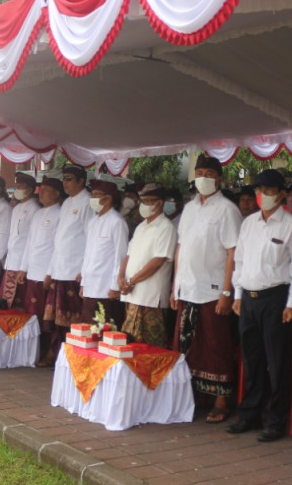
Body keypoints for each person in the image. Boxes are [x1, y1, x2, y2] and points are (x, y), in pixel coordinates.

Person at [227, 169, 292, 442]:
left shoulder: (291, 226)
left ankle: (276, 420)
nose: (264, 196)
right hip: (248, 298)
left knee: (277, 361)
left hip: (276, 298)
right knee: (252, 360)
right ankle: (250, 414)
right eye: (260, 191)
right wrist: (237, 295)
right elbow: (240, 262)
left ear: (281, 194)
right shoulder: (249, 223)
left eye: (270, 191)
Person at [172, 155, 243, 423]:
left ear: (219, 178)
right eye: (199, 172)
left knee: (216, 346)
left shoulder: (227, 209)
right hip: (186, 288)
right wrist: (174, 286)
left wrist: (227, 292)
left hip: (213, 291)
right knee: (187, 345)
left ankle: (221, 400)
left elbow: (233, 252)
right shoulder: (189, 208)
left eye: (208, 173)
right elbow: (181, 247)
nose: (202, 177)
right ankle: (193, 397)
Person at [42, 165, 93, 365]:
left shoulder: (87, 202)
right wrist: (50, 271)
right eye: (64, 178)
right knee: (56, 321)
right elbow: (59, 240)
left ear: (81, 181)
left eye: (70, 178)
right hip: (59, 270)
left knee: (72, 321)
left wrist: (84, 270)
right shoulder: (66, 204)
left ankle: (72, 358)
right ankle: (57, 354)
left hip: (74, 272)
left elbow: (91, 239)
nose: (65, 182)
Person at [118, 183, 177, 347]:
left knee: (150, 345)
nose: (144, 205)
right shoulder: (140, 227)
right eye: (142, 201)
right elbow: (128, 255)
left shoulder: (166, 227)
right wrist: (121, 277)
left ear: (160, 203)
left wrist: (132, 281)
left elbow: (158, 261)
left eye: (149, 201)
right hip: (132, 293)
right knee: (129, 341)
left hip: (151, 296)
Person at [79, 179, 129, 330]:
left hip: (106, 288)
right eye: (92, 195)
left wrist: (115, 285)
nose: (92, 199)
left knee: (104, 330)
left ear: (107, 198)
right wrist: (83, 283)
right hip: (90, 286)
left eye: (96, 195)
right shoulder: (93, 221)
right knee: (88, 331)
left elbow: (121, 256)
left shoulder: (117, 222)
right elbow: (88, 253)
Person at [24, 177, 63, 364]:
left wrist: (50, 272)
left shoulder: (60, 214)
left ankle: (47, 351)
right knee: (31, 314)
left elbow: (58, 247)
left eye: (46, 190)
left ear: (57, 194)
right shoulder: (39, 214)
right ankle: (31, 351)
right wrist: (23, 268)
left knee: (44, 318)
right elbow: (29, 243)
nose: (42, 193)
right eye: (41, 190)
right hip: (32, 271)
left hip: (45, 274)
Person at [0, 173, 40, 310]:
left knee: (19, 302)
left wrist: (24, 266)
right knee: (4, 301)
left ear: (30, 189)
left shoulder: (35, 208)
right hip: (11, 261)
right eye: (17, 186)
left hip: (23, 262)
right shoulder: (16, 208)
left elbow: (31, 239)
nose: (18, 189)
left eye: (21, 186)